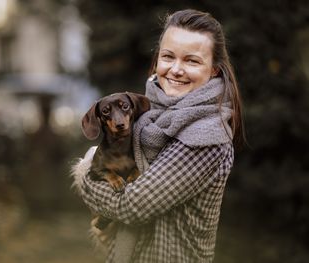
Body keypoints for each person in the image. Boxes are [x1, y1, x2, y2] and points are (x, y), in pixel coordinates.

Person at [77, 8, 244, 263]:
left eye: (192, 61)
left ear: (213, 70)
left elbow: (133, 206)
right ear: (157, 60)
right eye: (168, 57)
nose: (176, 69)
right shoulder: (148, 116)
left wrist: (86, 172)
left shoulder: (206, 136)